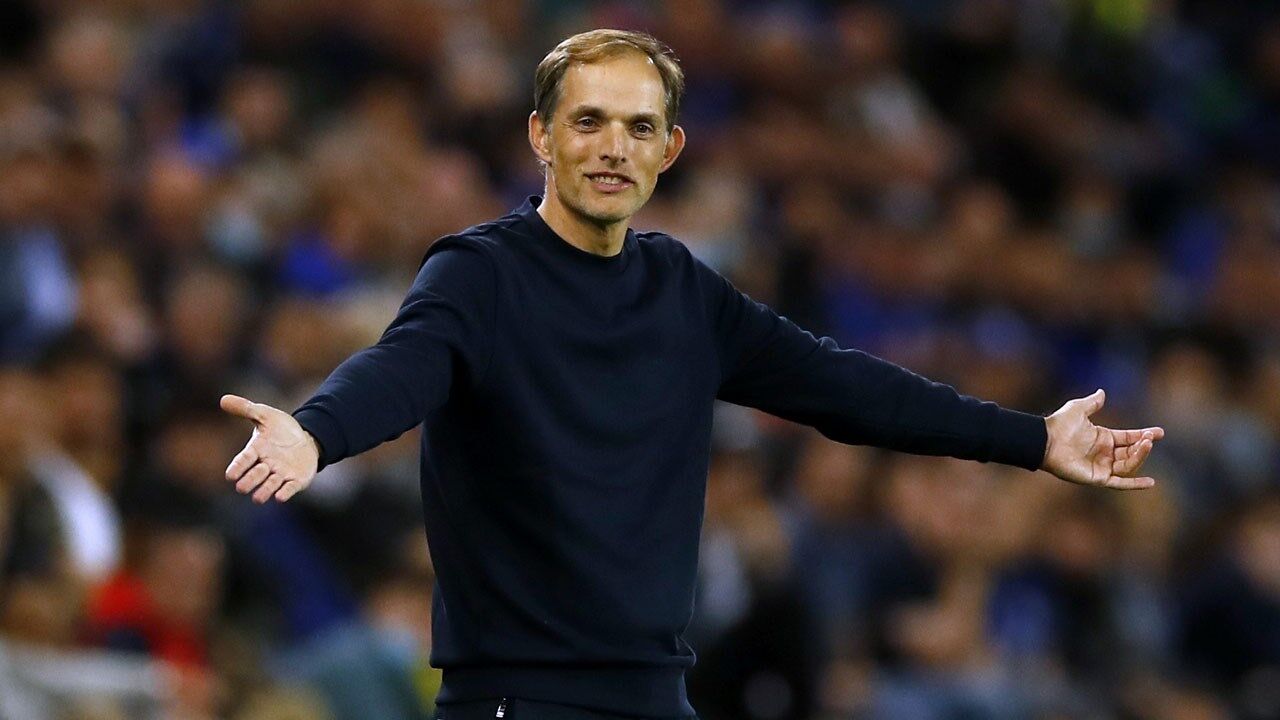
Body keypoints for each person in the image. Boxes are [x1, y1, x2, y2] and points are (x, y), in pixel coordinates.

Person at [220, 29, 1164, 720]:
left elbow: (843, 387)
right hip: (518, 699)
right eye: (588, 121)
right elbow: (403, 367)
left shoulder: (682, 290)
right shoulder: (480, 274)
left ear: (669, 149)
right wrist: (316, 432)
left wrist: (1033, 439)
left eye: (640, 126)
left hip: (657, 696)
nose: (613, 147)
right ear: (540, 136)